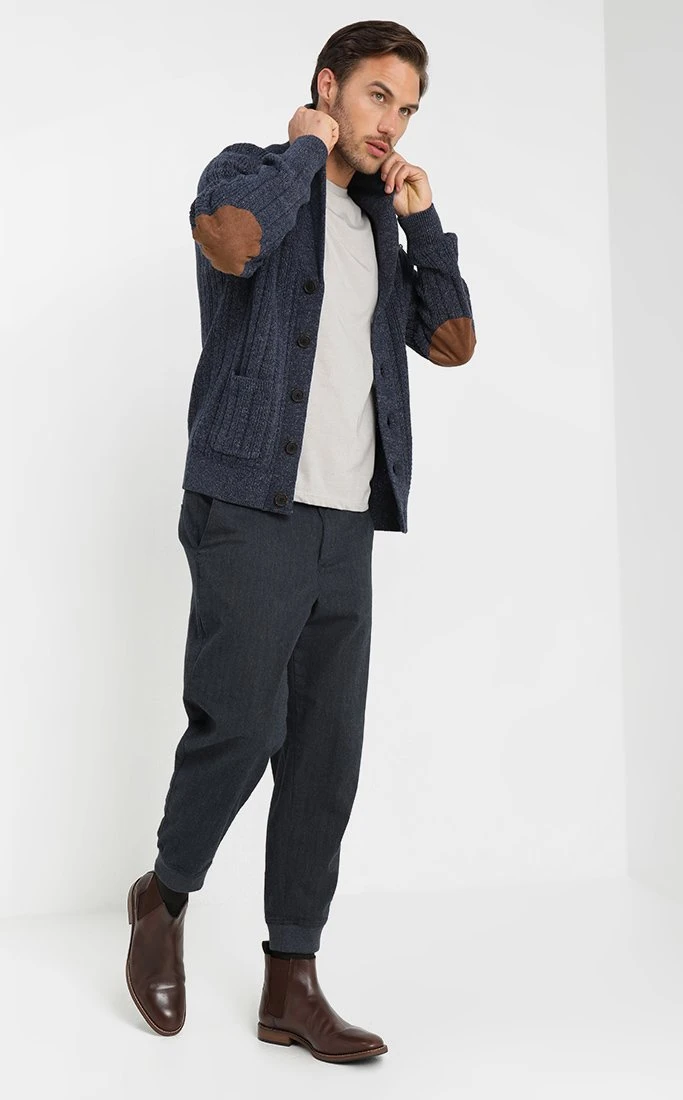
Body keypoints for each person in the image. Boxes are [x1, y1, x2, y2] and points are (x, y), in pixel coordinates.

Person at [125, 19, 476, 1062]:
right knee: (240, 723)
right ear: (329, 87)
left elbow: (452, 340)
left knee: (325, 753)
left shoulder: (379, 219)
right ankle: (164, 893)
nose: (393, 124)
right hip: (249, 505)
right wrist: (302, 149)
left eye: (408, 108)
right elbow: (231, 242)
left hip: (346, 518)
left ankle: (293, 980)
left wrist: (424, 222)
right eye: (377, 97)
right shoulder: (249, 175)